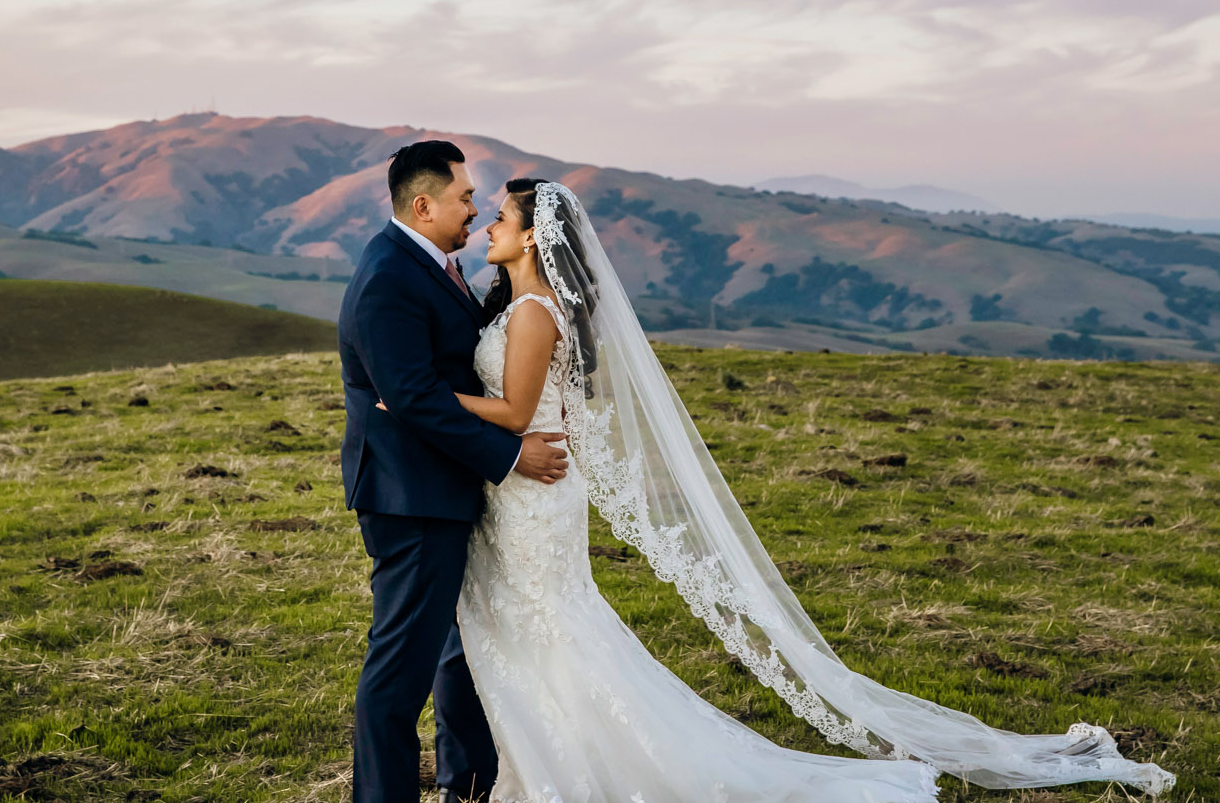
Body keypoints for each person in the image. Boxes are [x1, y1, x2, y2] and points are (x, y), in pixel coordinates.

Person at [418, 176, 1178, 802]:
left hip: (533, 496)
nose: (488, 223)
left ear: (533, 237)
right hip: (520, 490)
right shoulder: (519, 308)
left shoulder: (536, 312)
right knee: (537, 634)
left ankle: (571, 772)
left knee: (556, 633)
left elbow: (517, 411)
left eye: (503, 218)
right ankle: (534, 765)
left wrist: (418, 395)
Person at [338, 141, 571, 803]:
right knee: (399, 670)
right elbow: (411, 397)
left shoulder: (433, 266)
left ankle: (467, 782)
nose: (476, 209)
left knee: (459, 647)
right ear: (423, 203)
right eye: (466, 197)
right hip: (412, 497)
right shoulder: (389, 276)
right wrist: (510, 454)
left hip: (446, 490)